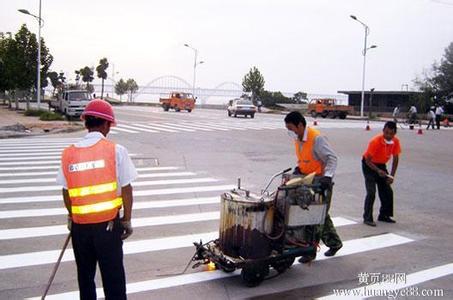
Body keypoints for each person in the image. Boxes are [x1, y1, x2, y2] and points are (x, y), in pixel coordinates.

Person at [56, 99, 137, 300]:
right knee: (114, 280)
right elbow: (126, 189)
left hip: (80, 229)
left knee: (85, 279)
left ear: (86, 123)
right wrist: (126, 219)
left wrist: (72, 216)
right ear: (106, 124)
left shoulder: (69, 153)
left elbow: (66, 191)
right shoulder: (115, 150)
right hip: (108, 228)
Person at [284, 111, 342, 263]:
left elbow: (332, 158)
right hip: (307, 180)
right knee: (321, 214)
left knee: (314, 216)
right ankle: (335, 243)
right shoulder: (298, 139)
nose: (291, 132)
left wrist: (328, 177)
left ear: (300, 125)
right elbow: (305, 158)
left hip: (320, 183)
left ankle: (310, 252)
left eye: (292, 128)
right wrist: (299, 169)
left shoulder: (317, 138)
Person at [362, 121, 401, 226]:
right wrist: (377, 171)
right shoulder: (375, 141)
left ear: (395, 133)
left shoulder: (395, 142)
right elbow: (367, 161)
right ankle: (367, 217)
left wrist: (391, 176)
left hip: (381, 165)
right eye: (386, 133)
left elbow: (396, 159)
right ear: (383, 130)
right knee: (371, 192)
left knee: (387, 191)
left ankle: (384, 215)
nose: (388, 136)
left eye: (391, 134)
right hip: (369, 165)